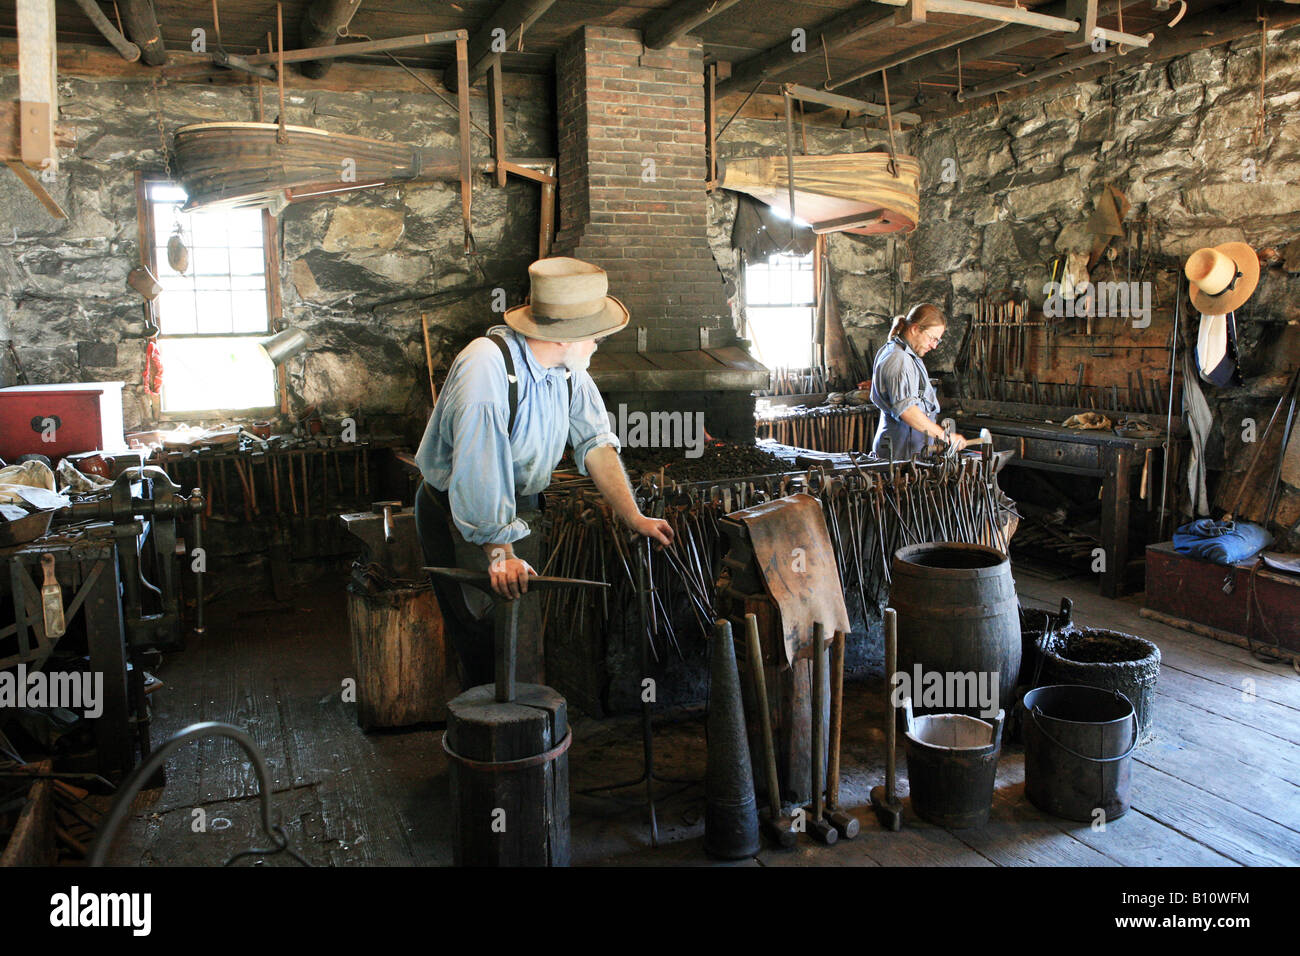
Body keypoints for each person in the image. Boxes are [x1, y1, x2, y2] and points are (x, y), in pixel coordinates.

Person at [414, 256, 674, 687]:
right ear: (566, 337)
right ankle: (489, 737)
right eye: (595, 336)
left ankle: (527, 731)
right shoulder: (487, 369)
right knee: (484, 640)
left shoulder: (567, 371)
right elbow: (479, 471)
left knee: (520, 632)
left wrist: (634, 516)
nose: (598, 344)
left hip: (519, 510)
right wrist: (500, 553)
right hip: (461, 515)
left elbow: (596, 443)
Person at [869, 303, 969, 459]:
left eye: (938, 341)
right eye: (932, 338)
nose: (934, 346)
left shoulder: (909, 356)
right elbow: (907, 410)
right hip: (898, 454)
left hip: (910, 451)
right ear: (915, 329)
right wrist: (945, 436)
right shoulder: (898, 359)